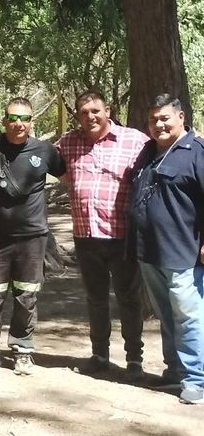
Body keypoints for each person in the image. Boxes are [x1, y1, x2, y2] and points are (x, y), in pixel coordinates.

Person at [0, 98, 66, 375]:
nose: (19, 124)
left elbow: (67, 175)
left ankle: (22, 350)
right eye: (13, 118)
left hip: (33, 239)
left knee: (26, 296)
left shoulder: (45, 150)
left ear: (32, 122)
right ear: (4, 120)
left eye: (25, 118)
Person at [55, 91, 147, 379]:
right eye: (84, 112)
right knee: (95, 299)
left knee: (129, 298)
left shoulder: (135, 141)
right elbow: (39, 156)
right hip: (86, 237)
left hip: (122, 236)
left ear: (108, 110)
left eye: (95, 110)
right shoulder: (68, 143)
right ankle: (99, 355)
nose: (90, 117)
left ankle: (134, 360)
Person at [129, 95, 204, 404]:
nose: (158, 124)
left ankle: (197, 380)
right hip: (150, 252)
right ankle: (176, 372)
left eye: (164, 118)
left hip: (182, 252)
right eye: (152, 120)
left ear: (181, 117)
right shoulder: (148, 152)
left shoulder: (196, 153)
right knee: (167, 315)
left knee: (188, 316)